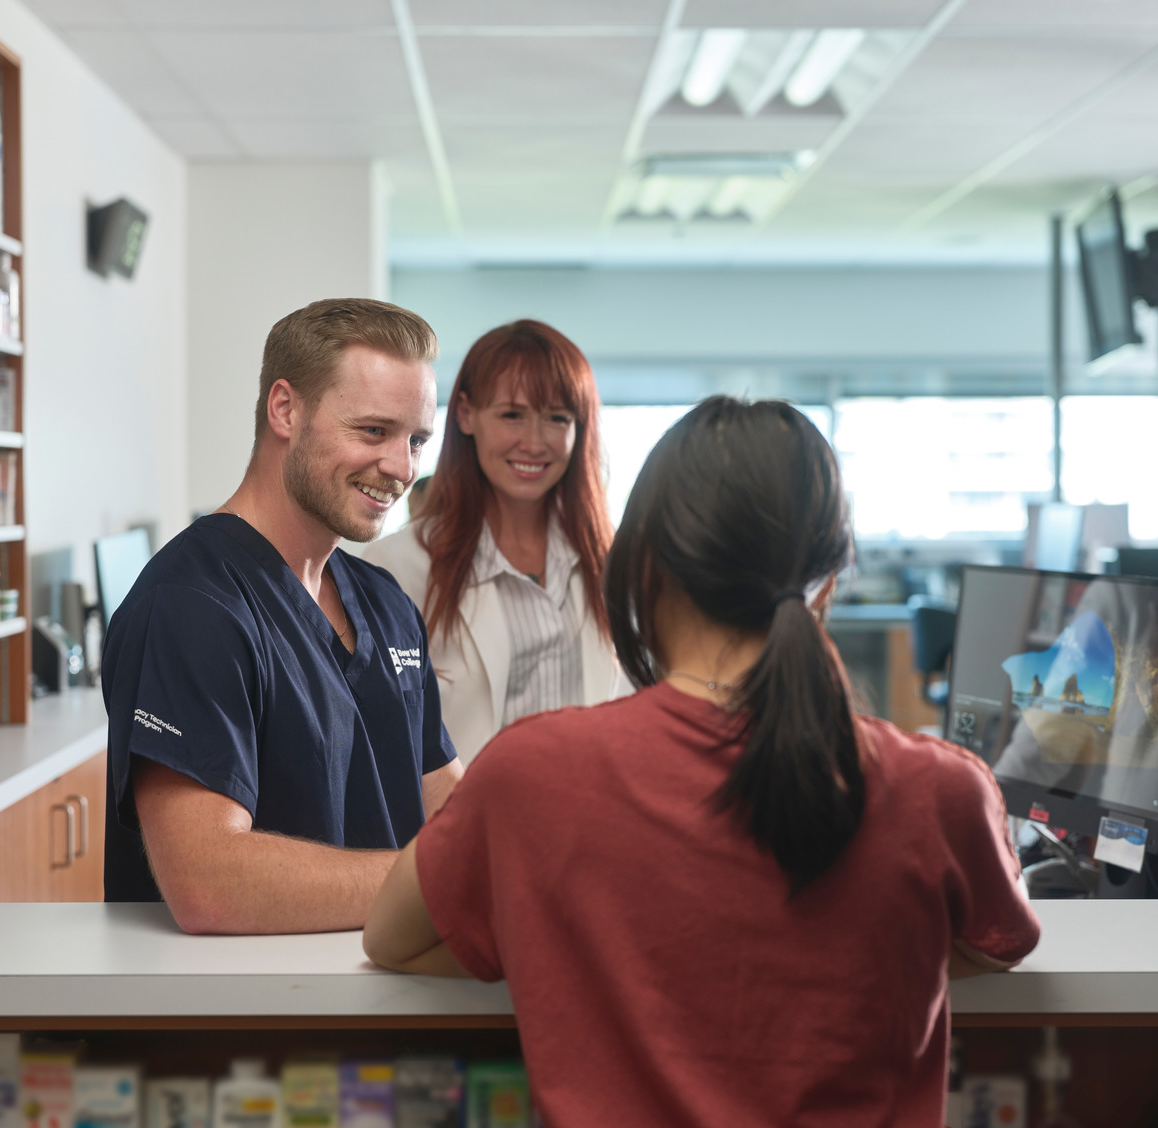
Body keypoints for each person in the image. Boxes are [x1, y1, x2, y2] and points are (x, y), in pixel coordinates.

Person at [364, 398, 1040, 1126]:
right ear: (827, 580)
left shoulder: (529, 774)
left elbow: (392, 940)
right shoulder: (941, 789)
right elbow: (996, 946)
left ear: (643, 566)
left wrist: (556, 950)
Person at [100, 298, 463, 933]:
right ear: (285, 410)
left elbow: (449, 804)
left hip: (382, 998)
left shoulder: (386, 604)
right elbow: (209, 883)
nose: (403, 468)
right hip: (249, 1018)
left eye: (416, 440)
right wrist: (446, 879)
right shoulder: (192, 605)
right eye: (373, 431)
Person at [364, 320, 620, 765]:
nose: (534, 442)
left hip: (597, 826)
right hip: (469, 829)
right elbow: (383, 743)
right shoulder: (397, 567)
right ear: (465, 414)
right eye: (512, 415)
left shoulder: (613, 563)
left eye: (557, 418)